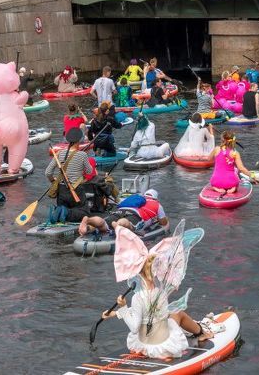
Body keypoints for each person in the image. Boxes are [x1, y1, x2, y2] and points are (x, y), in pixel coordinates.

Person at [101, 225, 214, 360]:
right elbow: (145, 314)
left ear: (137, 273)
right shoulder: (161, 293)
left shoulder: (138, 297)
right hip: (162, 347)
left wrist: (123, 307)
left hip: (143, 346)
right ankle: (201, 332)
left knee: (165, 315)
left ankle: (198, 332)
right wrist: (118, 312)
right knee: (178, 314)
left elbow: (136, 325)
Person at [44, 127, 95, 222]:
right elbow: (89, 171)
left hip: (61, 190)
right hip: (76, 190)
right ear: (79, 140)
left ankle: (57, 211)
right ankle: (65, 212)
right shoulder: (82, 155)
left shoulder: (59, 153)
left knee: (63, 210)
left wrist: (53, 181)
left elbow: (48, 172)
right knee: (85, 213)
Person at [78, 188, 168, 237]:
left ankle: (88, 220)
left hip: (120, 210)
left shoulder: (136, 198)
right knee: (128, 224)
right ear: (156, 198)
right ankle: (118, 225)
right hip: (135, 215)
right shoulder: (157, 204)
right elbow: (163, 222)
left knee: (103, 223)